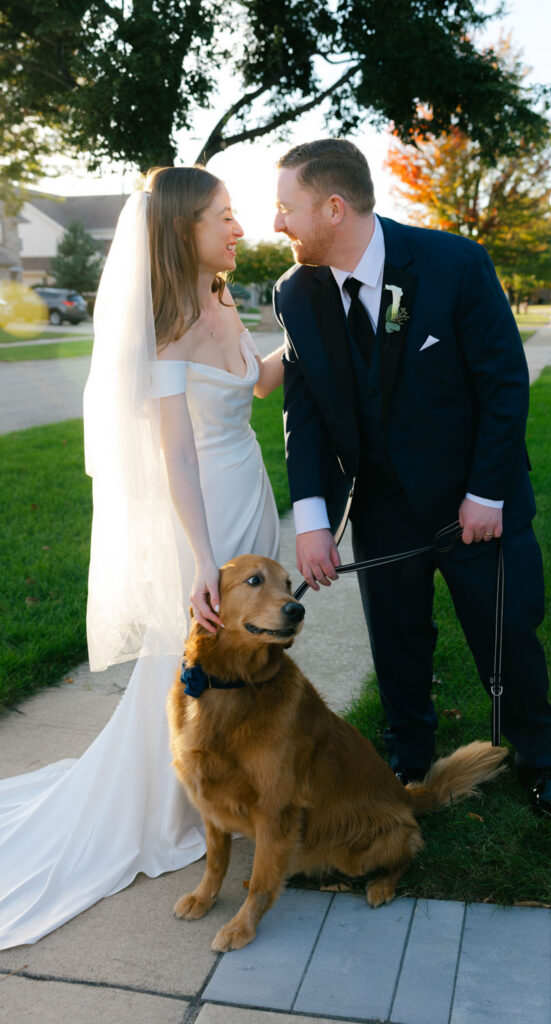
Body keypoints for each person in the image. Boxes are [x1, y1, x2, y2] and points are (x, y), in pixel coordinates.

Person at [0, 166, 284, 949]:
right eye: (223, 218)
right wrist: (201, 559)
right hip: (209, 517)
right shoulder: (166, 325)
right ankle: (181, 802)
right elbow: (176, 458)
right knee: (195, 665)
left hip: (249, 492)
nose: (238, 228)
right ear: (181, 231)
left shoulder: (225, 300)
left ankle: (231, 785)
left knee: (242, 668)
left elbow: (256, 385)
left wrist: (315, 325)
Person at [272, 139, 551, 823]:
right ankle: (408, 765)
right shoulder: (297, 292)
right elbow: (305, 411)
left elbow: (502, 387)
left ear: (334, 207)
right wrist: (314, 521)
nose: (277, 225)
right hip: (382, 509)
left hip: (477, 504)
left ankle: (538, 762)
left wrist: (486, 493)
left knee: (508, 637)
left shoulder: (453, 264)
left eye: (286, 209)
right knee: (397, 645)